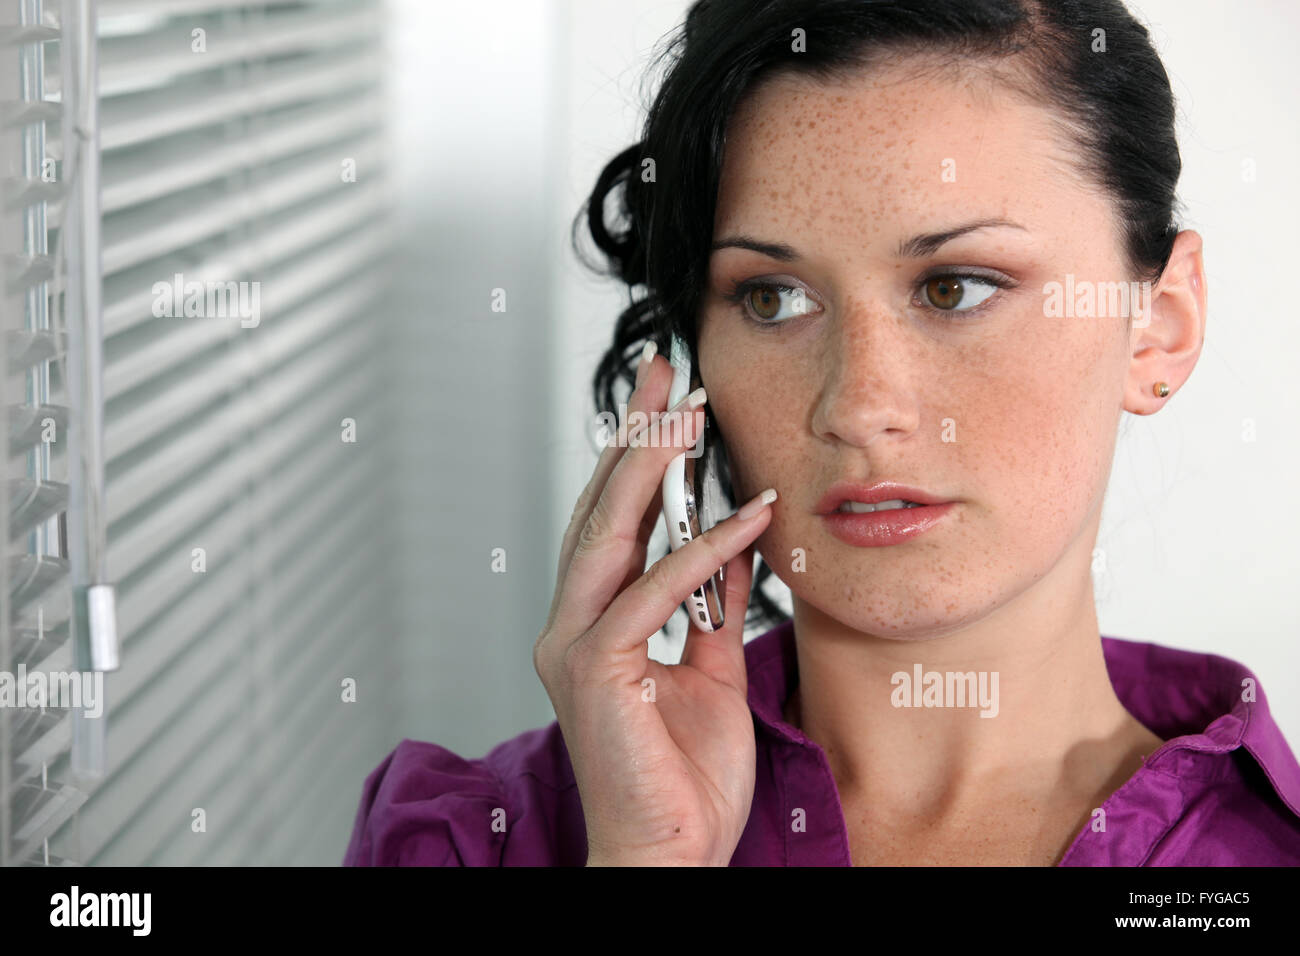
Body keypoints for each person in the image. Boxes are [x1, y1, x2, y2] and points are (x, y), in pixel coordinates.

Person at [344, 0, 1300, 866]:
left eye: (957, 287)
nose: (857, 404)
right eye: (773, 298)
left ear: (1159, 326)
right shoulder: (476, 842)